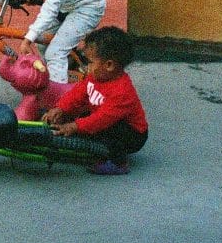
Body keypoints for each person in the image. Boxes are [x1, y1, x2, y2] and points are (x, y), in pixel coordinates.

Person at [9, 0, 106, 120]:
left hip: (87, 7)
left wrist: (28, 38)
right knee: (45, 42)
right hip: (68, 5)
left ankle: (59, 106)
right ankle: (61, 71)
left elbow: (50, 9)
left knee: (55, 52)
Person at [43, 26, 149, 175]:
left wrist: (74, 126)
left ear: (109, 65)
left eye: (90, 62)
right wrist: (60, 108)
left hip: (132, 134)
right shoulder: (96, 77)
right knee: (83, 117)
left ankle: (118, 163)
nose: (87, 67)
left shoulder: (122, 91)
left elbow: (101, 119)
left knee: (110, 132)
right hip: (103, 117)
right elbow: (77, 94)